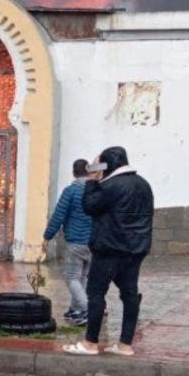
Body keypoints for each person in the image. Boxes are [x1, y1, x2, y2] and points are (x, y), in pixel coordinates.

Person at [64, 146, 154, 357]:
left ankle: (90, 343)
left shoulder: (111, 185)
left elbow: (89, 206)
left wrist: (93, 179)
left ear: (107, 165)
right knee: (130, 294)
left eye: (100, 165)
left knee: (96, 293)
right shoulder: (143, 184)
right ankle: (125, 345)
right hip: (136, 249)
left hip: (109, 249)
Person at [44, 159, 96, 326]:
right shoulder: (97, 190)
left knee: (72, 277)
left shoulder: (71, 191)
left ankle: (88, 309)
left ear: (74, 173)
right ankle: (76, 310)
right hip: (95, 242)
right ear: (89, 171)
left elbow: (58, 215)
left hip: (76, 242)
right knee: (82, 277)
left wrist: (47, 236)